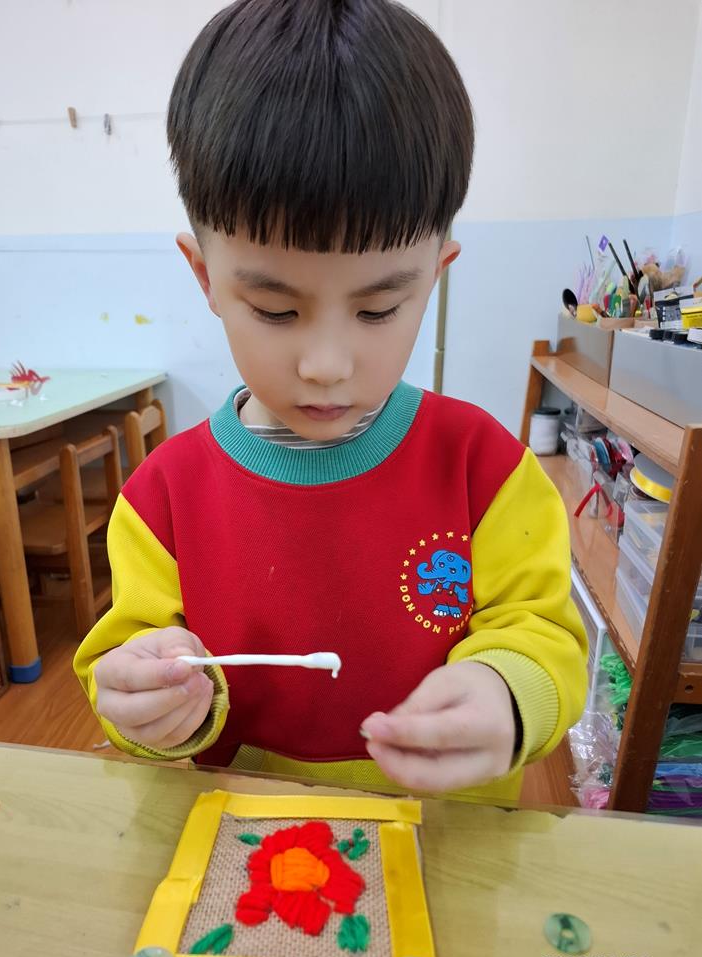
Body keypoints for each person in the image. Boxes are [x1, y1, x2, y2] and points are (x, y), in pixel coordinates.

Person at [74, 0, 587, 803]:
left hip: (445, 840)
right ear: (206, 278)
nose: (325, 366)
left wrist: (506, 690)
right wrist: (150, 700)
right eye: (276, 310)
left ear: (434, 275)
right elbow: (129, 661)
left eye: (378, 309)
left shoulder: (482, 468)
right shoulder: (163, 499)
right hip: (249, 841)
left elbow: (543, 633)